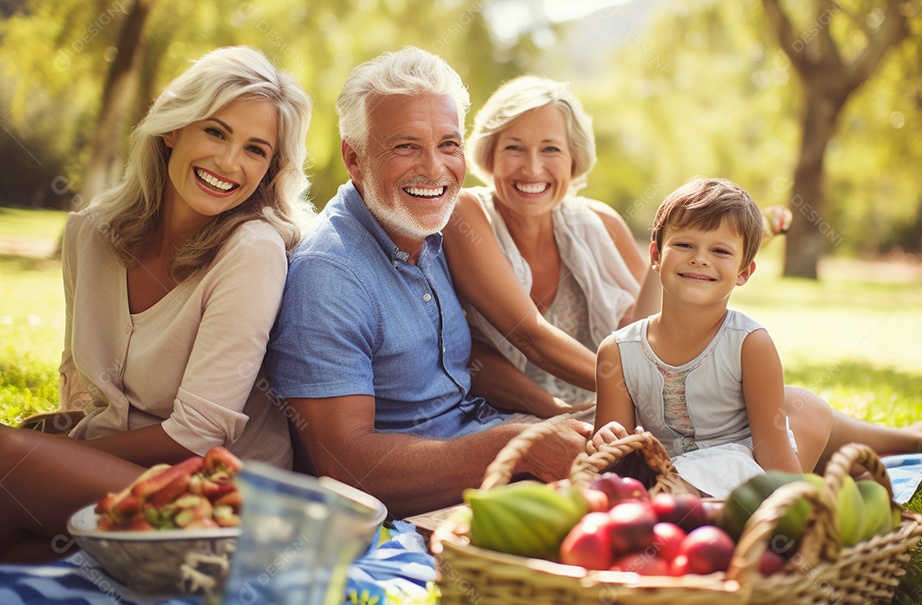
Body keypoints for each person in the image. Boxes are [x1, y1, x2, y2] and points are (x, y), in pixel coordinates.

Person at [443, 76, 922, 473]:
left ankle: (921, 439)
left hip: (633, 396)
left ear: (575, 161)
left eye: (551, 150)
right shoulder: (469, 216)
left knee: (782, 409)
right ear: (489, 155)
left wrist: (667, 261)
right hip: (556, 410)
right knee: (699, 438)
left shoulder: (593, 220)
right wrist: (628, 388)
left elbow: (647, 318)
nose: (532, 167)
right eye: (513, 148)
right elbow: (523, 337)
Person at [0, 46, 313, 562]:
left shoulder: (252, 251)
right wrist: (55, 455)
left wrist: (51, 458)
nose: (229, 162)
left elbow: (197, 437)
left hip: (216, 495)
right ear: (173, 129)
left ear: (270, 169)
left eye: (256, 149)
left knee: (7, 459)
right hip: (116, 476)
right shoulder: (90, 232)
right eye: (216, 131)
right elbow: (79, 379)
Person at [263, 47, 589, 519]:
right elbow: (347, 469)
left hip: (492, 448)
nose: (435, 169)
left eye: (449, 145)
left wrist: (555, 412)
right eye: (406, 146)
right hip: (426, 509)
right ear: (355, 160)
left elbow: (459, 361)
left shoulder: (428, 229)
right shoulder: (329, 276)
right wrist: (516, 446)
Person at [590, 177, 800, 498]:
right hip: (662, 473)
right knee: (624, 490)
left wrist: (805, 508)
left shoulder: (749, 344)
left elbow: (774, 455)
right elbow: (615, 459)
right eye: (685, 245)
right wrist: (607, 440)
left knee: (680, 486)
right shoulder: (617, 351)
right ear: (656, 256)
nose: (700, 258)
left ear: (744, 272)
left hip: (735, 471)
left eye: (720, 250)